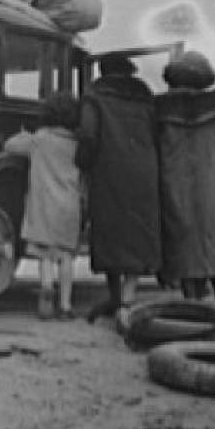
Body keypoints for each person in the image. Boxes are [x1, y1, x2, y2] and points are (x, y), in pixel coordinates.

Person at [76, 52, 161, 325]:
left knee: (110, 230)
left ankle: (114, 296)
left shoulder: (94, 97)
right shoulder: (146, 98)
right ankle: (129, 294)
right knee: (138, 230)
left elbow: (88, 135)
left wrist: (83, 162)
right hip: (144, 171)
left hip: (109, 170)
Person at [154, 50, 215, 310]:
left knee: (183, 242)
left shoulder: (160, 108)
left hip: (174, 184)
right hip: (211, 186)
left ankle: (193, 303)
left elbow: (154, 147)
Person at [4, 91, 83, 320]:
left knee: (45, 255)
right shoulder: (76, 143)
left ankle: (47, 286)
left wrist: (23, 134)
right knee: (66, 257)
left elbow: (10, 146)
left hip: (43, 205)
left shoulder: (40, 139)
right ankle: (66, 305)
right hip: (69, 206)